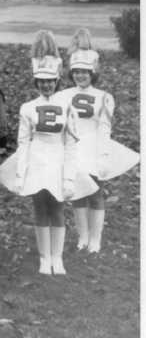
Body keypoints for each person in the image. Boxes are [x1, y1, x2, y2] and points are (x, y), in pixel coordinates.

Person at [0, 31, 97, 275]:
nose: (46, 84)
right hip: (36, 160)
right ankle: (44, 257)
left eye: (50, 80)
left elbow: (72, 143)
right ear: (35, 82)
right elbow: (24, 142)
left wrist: (70, 176)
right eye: (41, 80)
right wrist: (21, 173)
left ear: (57, 81)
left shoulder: (67, 106)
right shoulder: (28, 108)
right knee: (40, 208)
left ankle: (57, 257)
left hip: (59, 160)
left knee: (57, 208)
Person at [59, 30, 139, 253]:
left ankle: (96, 238)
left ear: (92, 73)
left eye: (85, 72)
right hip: (73, 149)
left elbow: (104, 129)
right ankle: (82, 236)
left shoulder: (103, 97)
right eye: (77, 72)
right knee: (77, 193)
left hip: (94, 147)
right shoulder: (64, 95)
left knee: (95, 193)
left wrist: (103, 156)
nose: (80, 76)